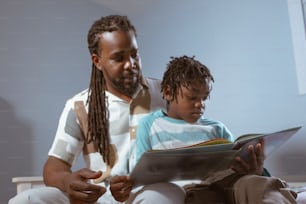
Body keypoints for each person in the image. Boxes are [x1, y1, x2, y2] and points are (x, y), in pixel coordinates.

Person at [9, 15, 185, 204]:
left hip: (150, 192)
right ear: (97, 61)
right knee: (26, 199)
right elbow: (54, 167)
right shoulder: (79, 106)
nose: (131, 64)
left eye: (134, 54)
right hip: (100, 197)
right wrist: (68, 181)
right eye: (119, 58)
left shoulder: (167, 95)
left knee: (158, 198)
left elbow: (194, 145)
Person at [134, 55, 298, 204]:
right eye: (192, 97)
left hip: (228, 182)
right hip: (187, 189)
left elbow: (235, 163)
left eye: (204, 98)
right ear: (168, 92)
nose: (200, 104)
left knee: (265, 186)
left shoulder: (216, 127)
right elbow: (141, 172)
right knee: (202, 198)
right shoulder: (150, 124)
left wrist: (257, 170)